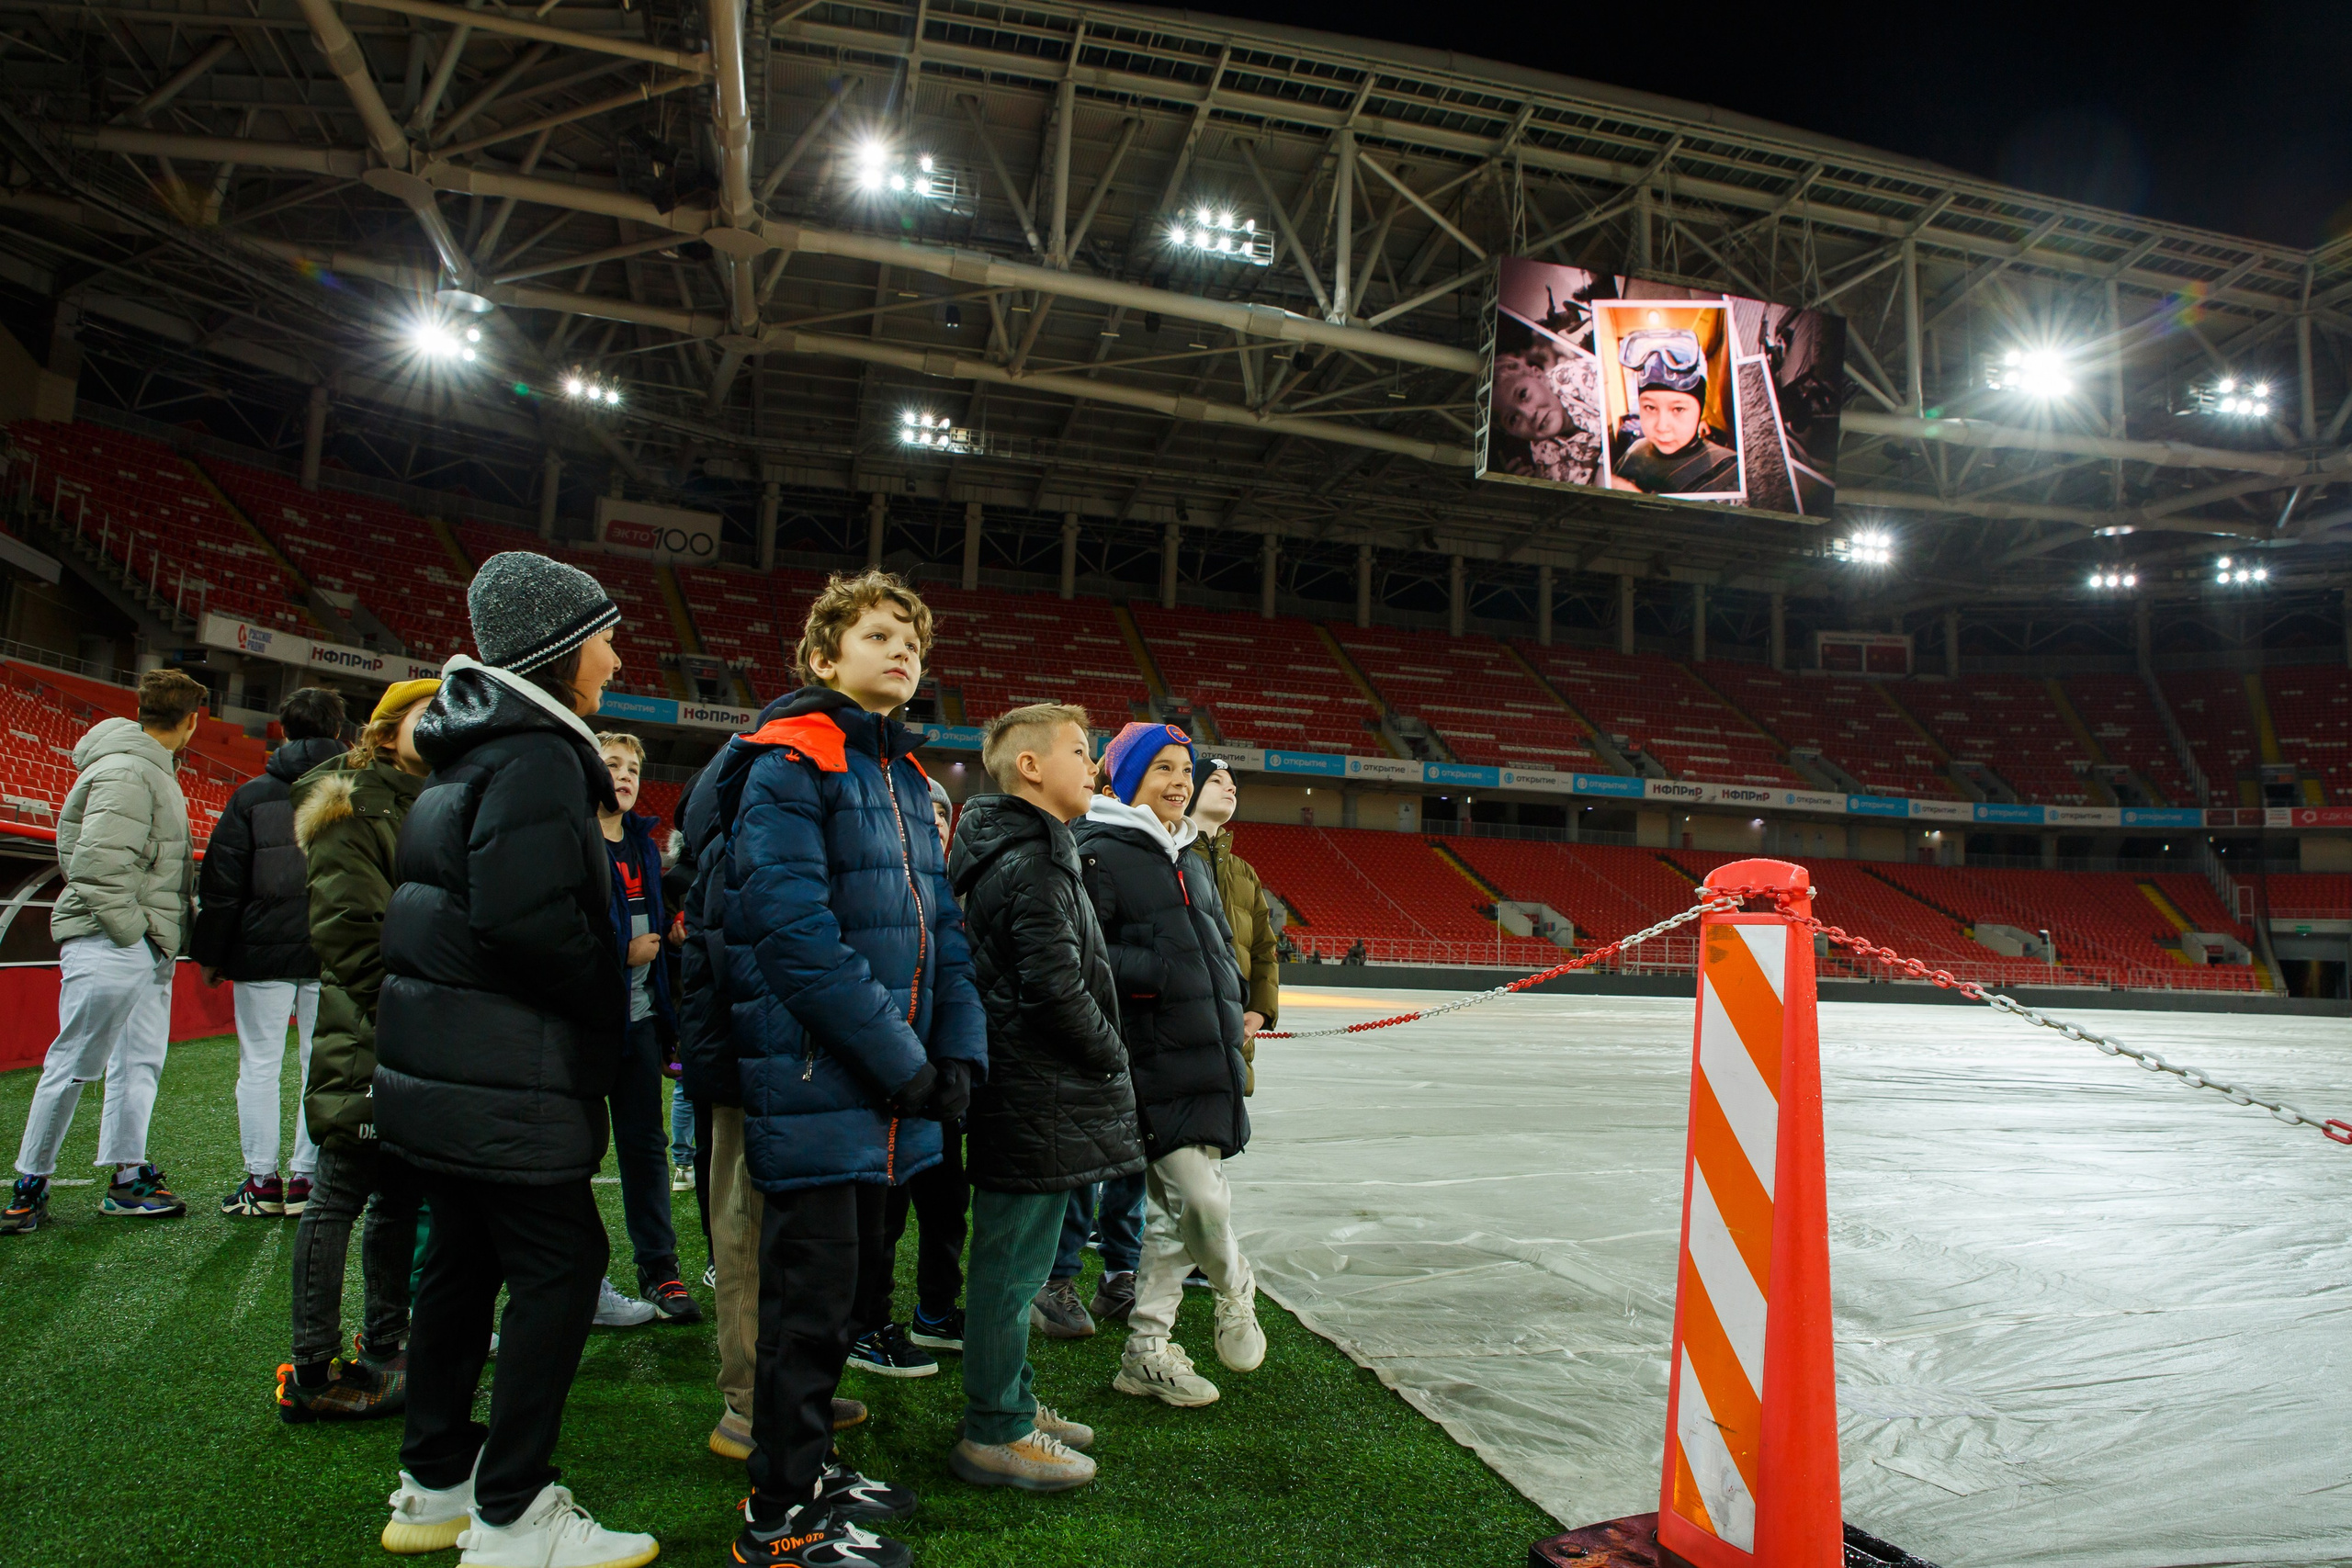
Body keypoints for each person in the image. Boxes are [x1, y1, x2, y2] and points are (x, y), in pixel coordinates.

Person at [371, 552, 657, 1568]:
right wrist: (602, 998)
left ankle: (438, 1482)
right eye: (606, 637)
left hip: (449, 1073)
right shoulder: (536, 755)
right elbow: (528, 923)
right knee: (565, 1263)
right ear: (562, 647)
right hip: (506, 1072)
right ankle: (514, 1515)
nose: (618, 658)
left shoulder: (473, 754)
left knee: (460, 1260)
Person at [697, 568, 984, 1568]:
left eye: (911, 638)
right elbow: (791, 931)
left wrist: (956, 1053)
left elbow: (942, 930)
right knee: (805, 1307)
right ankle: (777, 1517)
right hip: (822, 1078)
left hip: (887, 1089)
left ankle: (813, 1472)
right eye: (875, 635)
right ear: (823, 659)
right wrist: (904, 1060)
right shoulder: (789, 760)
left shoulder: (907, 779)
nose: (901, 650)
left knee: (848, 1292)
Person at [945, 703, 1144, 1491]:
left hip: (1038, 1091)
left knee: (1018, 1265)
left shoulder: (1034, 850)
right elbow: (1054, 988)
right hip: (1037, 1091)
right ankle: (994, 1429)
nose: (1092, 764)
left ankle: (1012, 1403)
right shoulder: (1030, 861)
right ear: (1030, 767)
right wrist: (1112, 1053)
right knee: (1010, 1269)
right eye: (1078, 749)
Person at [676, 762, 870, 1468]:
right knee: (746, 1227)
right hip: (749, 1058)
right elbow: (748, 957)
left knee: (784, 1236)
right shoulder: (750, 829)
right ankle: (748, 1403)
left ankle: (783, 1388)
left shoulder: (768, 820)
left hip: (775, 1056)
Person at [1073, 722, 1263, 1409]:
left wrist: (1233, 1005)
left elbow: (1216, 950)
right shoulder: (1098, 850)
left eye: (1185, 768)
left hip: (1206, 1054)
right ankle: (1236, 1286)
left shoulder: (1189, 855)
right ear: (1124, 780)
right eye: (1161, 769)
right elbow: (1085, 953)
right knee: (1203, 1199)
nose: (1180, 781)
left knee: (1168, 1213)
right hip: (1149, 1059)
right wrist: (1160, 969)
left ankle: (1146, 1348)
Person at [277, 679, 438, 1423]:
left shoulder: (431, 803)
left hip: (415, 1031)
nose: (440, 726)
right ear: (382, 731)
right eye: (423, 715)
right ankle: (311, 1371)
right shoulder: (353, 807)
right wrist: (413, 1012)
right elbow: (349, 930)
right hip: (372, 1031)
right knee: (341, 1192)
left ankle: (384, 1350)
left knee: (400, 1196)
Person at [5, 666, 205, 1233]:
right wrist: (134, 934)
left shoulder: (142, 766)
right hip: (116, 939)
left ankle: (126, 1177)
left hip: (143, 941)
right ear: (192, 721)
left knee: (137, 1062)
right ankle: (28, 1186)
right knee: (76, 1063)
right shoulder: (128, 768)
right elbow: (96, 864)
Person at [197, 685, 349, 1219]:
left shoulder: (251, 795)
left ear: (282, 730)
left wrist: (211, 953)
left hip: (261, 949)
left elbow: (221, 882)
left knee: (259, 1065)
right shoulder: (355, 791)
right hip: (335, 948)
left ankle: (261, 1183)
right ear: (338, 731)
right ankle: (308, 1180)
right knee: (320, 1064)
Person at [848, 771, 971, 1374]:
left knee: (947, 1204)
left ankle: (936, 1309)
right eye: (931, 815)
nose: (937, 825)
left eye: (944, 817)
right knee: (885, 1214)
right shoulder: (886, 891)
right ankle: (869, 1319)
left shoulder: (954, 893)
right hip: (894, 1078)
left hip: (942, 1081)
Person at [595, 729, 697, 1325]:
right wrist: (622, 954)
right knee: (573, 1158)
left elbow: (652, 945)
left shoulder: (642, 848)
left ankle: (660, 1269)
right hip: (585, 1029)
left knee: (645, 1149)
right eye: (613, 764)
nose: (627, 774)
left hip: (638, 1026)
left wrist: (668, 948)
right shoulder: (575, 842)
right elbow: (555, 937)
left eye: (633, 765)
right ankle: (586, 1278)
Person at [1186, 757, 1278, 1094]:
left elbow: (1264, 950)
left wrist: (1259, 1011)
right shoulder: (1166, 856)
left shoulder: (1245, 873)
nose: (1229, 788)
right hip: (1183, 1030)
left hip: (1237, 1034)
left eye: (1233, 786)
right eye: (1216, 781)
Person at [1608, 326, 1739, 494]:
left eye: (1678, 409)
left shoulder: (1729, 468)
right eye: (1650, 407)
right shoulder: (1632, 454)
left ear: (1700, 410)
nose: (1662, 427)